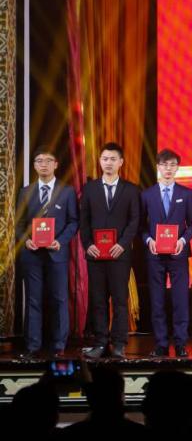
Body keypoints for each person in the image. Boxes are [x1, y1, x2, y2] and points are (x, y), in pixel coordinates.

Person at [14, 148, 78, 358]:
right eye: (39, 161)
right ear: (34, 166)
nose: (44, 164)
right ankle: (32, 347)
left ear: (56, 164)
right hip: (31, 255)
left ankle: (59, 346)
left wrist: (60, 241)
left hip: (56, 253)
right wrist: (26, 240)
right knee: (33, 299)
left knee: (59, 299)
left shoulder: (67, 192)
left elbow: (73, 222)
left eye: (48, 160)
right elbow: (19, 224)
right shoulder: (25, 192)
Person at [79, 142, 141, 359]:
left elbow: (135, 220)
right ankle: (100, 342)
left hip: (119, 254)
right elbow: (84, 220)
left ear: (121, 162)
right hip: (95, 254)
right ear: (100, 161)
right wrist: (88, 244)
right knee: (98, 300)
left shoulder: (131, 189)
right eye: (105, 159)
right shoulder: (89, 189)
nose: (108, 163)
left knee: (120, 300)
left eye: (113, 159)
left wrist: (122, 244)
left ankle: (119, 344)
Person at [139, 148, 192, 357]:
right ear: (158, 167)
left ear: (177, 168)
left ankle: (181, 343)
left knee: (180, 300)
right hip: (155, 255)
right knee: (157, 301)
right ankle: (161, 344)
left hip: (178, 254)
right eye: (164, 165)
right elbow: (141, 226)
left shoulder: (186, 194)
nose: (168, 169)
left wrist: (183, 240)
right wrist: (149, 240)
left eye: (172, 165)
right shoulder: (146, 195)